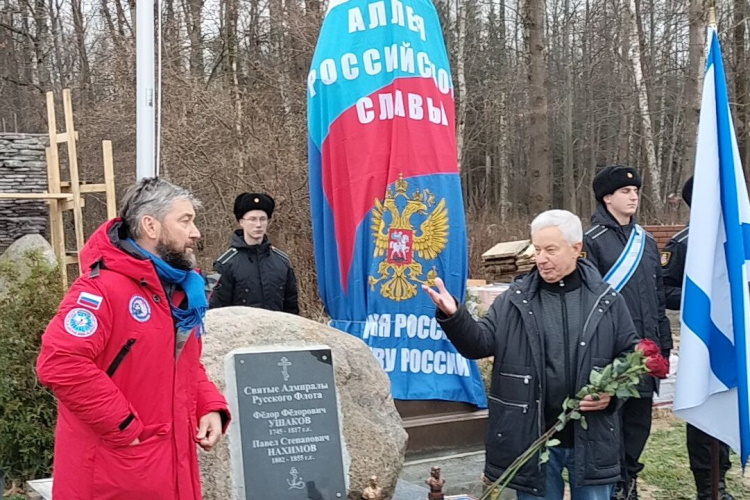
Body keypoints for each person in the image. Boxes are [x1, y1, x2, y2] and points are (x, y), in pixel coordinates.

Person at [36, 178, 230, 500]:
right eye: (185, 221)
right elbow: (61, 363)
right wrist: (124, 426)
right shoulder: (100, 289)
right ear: (150, 226)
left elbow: (183, 365)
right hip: (114, 475)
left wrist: (208, 405)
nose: (195, 232)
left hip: (169, 470)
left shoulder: (180, 293)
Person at [423, 209, 637, 500]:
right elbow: (479, 344)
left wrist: (613, 395)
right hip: (533, 439)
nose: (541, 258)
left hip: (592, 439)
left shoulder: (607, 300)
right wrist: (455, 316)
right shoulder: (514, 300)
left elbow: (631, 357)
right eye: (537, 249)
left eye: (550, 250)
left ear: (576, 248)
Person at [582, 165, 672, 500]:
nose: (633, 197)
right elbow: (588, 303)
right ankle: (615, 486)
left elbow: (657, 297)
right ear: (607, 198)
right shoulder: (591, 242)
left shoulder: (645, 241)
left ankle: (629, 480)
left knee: (638, 426)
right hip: (611, 354)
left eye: (635, 191)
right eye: (625, 191)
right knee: (611, 427)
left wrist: (663, 345)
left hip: (645, 351)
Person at [662, 177, 734, 500]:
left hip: (733, 340)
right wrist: (702, 297)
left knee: (729, 406)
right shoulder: (683, 244)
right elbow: (664, 290)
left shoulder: (737, 238)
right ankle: (708, 486)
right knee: (705, 411)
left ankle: (723, 480)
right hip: (702, 340)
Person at [209, 192, 299, 314]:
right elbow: (215, 310)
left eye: (262, 219)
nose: (258, 225)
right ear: (241, 222)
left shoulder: (282, 261)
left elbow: (292, 309)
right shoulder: (224, 264)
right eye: (252, 219)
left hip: (276, 326)